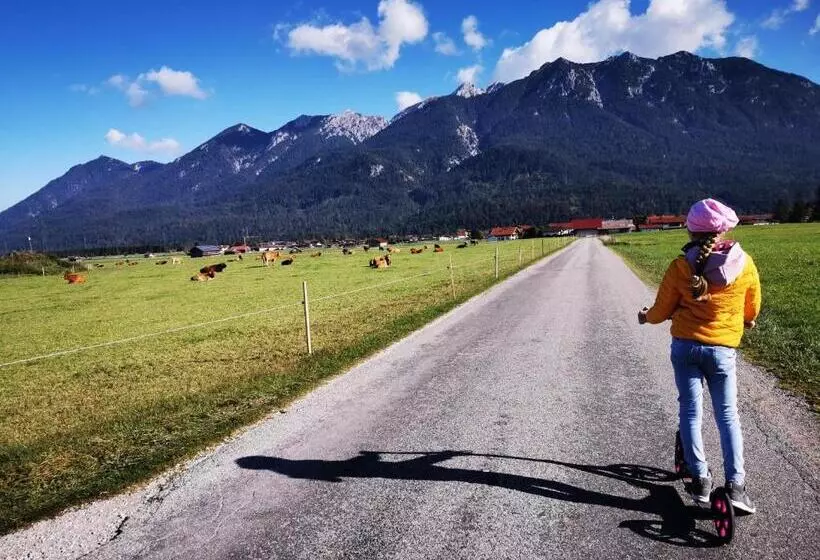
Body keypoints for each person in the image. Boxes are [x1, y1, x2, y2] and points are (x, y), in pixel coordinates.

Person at [638, 198, 761, 513]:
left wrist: (646, 317)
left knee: (691, 412)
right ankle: (736, 486)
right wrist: (746, 319)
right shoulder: (744, 264)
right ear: (723, 230)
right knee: (727, 415)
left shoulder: (680, 266)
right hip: (722, 351)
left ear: (691, 230)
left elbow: (661, 310)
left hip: (686, 347)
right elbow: (752, 307)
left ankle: (701, 478)